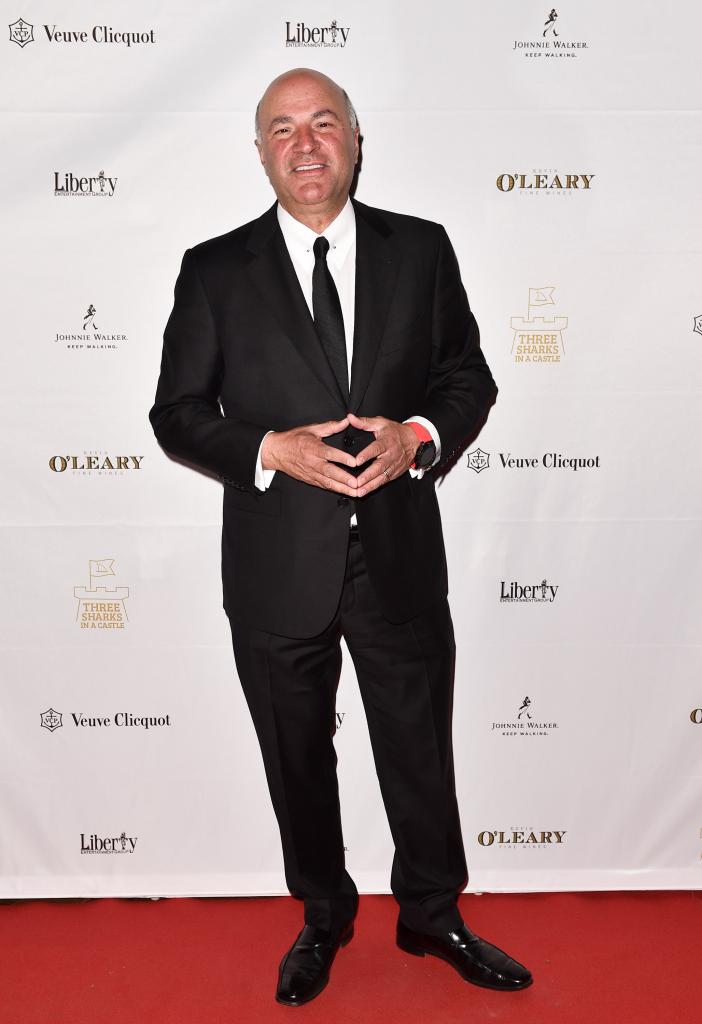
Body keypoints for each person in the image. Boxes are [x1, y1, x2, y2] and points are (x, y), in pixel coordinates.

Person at [149, 67, 532, 1006]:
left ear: (358, 139)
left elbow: (467, 379)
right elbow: (177, 414)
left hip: (399, 555)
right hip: (278, 564)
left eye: (325, 123)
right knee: (295, 754)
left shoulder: (422, 251)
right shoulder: (214, 268)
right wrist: (269, 446)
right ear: (260, 152)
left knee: (417, 744)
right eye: (284, 128)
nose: (307, 143)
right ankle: (324, 916)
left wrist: (421, 436)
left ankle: (432, 913)